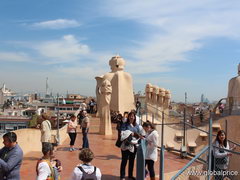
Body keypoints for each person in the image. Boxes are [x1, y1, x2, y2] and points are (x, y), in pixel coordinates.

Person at [120, 112, 141, 180]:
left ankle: (130, 175)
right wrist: (130, 133)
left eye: (133, 116)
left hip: (134, 145)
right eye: (130, 116)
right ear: (128, 117)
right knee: (124, 160)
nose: (131, 117)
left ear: (134, 117)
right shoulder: (125, 124)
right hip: (126, 145)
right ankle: (122, 176)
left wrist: (137, 135)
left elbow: (139, 134)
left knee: (132, 161)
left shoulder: (137, 125)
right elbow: (122, 133)